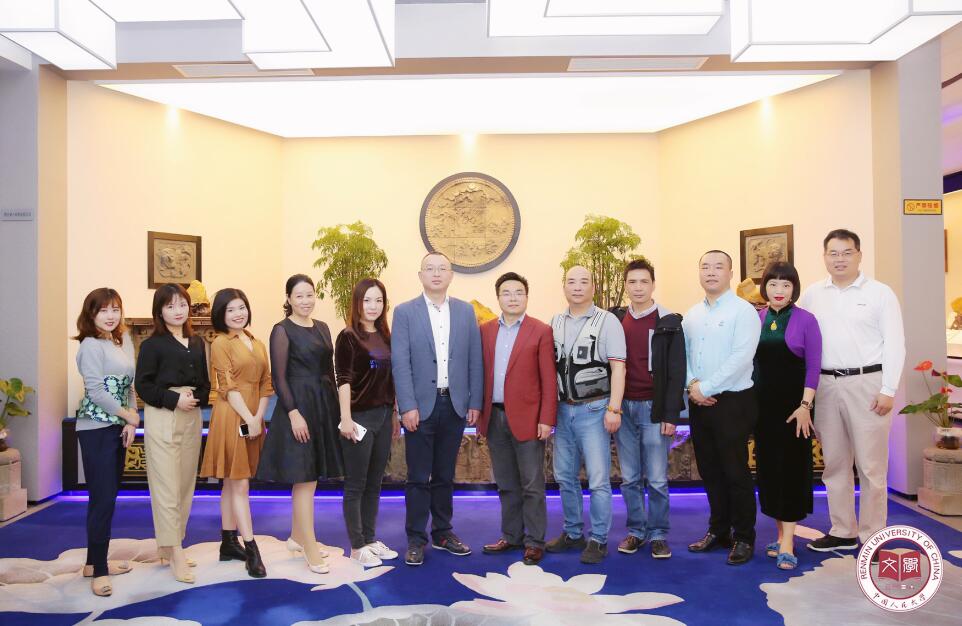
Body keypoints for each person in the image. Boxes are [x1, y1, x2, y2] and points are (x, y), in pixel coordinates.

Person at [799, 229, 905, 552]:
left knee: (871, 467)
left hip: (868, 385)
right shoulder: (813, 294)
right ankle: (843, 530)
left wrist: (888, 389)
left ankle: (874, 537)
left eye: (847, 253)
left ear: (859, 255)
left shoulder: (880, 293)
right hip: (826, 386)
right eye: (833, 253)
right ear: (824, 257)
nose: (840, 259)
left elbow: (895, 343)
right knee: (834, 463)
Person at [392, 251, 483, 566]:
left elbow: (475, 359)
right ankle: (416, 538)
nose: (436, 273)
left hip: (454, 405)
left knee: (445, 474)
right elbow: (400, 363)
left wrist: (474, 401)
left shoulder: (466, 312)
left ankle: (443, 533)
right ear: (420, 275)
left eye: (442, 268)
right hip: (419, 407)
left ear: (450, 275)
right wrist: (407, 406)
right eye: (429, 268)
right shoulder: (405, 312)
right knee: (418, 476)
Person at [257, 274, 343, 574]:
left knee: (311, 476)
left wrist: (337, 411)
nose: (306, 301)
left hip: (323, 406)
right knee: (304, 478)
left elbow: (330, 371)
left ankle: (296, 537)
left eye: (310, 295)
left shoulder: (323, 327)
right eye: (299, 296)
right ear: (289, 299)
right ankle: (309, 545)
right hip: (298, 408)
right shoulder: (282, 330)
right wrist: (293, 413)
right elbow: (279, 378)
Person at [684, 250, 761, 566]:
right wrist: (692, 385)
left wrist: (705, 388)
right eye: (705, 267)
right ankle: (718, 530)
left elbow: (741, 358)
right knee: (710, 470)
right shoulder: (691, 314)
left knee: (735, 471)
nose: (711, 272)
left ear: (730, 273)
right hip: (698, 401)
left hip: (732, 401)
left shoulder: (744, 311)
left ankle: (744, 536)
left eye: (718, 267)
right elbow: (684, 356)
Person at [545, 265, 627, 565]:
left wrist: (614, 408)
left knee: (598, 479)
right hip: (562, 410)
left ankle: (599, 538)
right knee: (564, 476)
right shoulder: (554, 322)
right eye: (571, 282)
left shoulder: (607, 321)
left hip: (595, 409)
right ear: (564, 287)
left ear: (593, 287)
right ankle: (573, 532)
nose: (577, 287)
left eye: (583, 282)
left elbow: (618, 367)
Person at [477, 272, 557, 566]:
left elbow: (549, 379)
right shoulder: (485, 331)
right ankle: (511, 536)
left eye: (518, 292)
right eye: (506, 293)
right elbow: (479, 373)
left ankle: (534, 541)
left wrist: (546, 418)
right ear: (498, 297)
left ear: (526, 297)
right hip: (494, 416)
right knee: (506, 482)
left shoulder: (541, 331)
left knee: (532, 484)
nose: (512, 298)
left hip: (529, 419)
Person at [610, 259, 686, 560]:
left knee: (656, 479)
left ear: (653, 284)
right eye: (632, 282)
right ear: (625, 286)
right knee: (629, 478)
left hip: (655, 409)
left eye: (644, 282)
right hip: (623, 408)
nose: (638, 287)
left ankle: (658, 534)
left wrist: (671, 414)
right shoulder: (615, 320)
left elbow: (677, 371)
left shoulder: (669, 322)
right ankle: (636, 531)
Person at [135, 283, 210, 584]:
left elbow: (205, 384)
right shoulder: (152, 345)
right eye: (170, 306)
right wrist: (173, 399)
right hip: (163, 414)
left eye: (182, 304)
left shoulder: (197, 342)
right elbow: (143, 386)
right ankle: (175, 552)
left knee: (184, 485)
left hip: (191, 415)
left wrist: (195, 398)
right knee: (166, 486)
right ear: (160, 311)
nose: (178, 311)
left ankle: (171, 544)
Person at [199, 288, 273, 578]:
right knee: (239, 484)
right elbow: (226, 387)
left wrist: (258, 417)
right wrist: (249, 418)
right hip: (232, 416)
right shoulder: (220, 343)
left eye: (241, 307)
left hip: (254, 416)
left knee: (232, 484)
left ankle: (228, 543)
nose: (238, 314)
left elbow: (266, 384)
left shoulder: (258, 343)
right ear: (221, 315)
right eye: (230, 310)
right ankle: (251, 549)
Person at [753, 262, 822, 571]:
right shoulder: (757, 318)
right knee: (770, 472)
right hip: (764, 409)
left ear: (794, 288)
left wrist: (805, 406)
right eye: (773, 284)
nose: (779, 290)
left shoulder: (806, 320)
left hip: (795, 410)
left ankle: (787, 543)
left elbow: (813, 367)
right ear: (764, 287)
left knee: (792, 471)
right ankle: (781, 535)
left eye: (786, 285)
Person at [73, 288, 139, 596]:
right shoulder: (89, 345)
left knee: (107, 497)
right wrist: (129, 416)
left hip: (117, 426)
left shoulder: (122, 340)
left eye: (115, 309)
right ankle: (99, 570)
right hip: (95, 428)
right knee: (102, 499)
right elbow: (96, 391)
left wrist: (130, 420)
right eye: (103, 310)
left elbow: (130, 386)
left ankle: (93, 562)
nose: (111, 316)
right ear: (91, 314)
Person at [335, 278, 401, 567]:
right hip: (358, 419)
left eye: (378, 300)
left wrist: (394, 414)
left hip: (384, 417)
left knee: (375, 483)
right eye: (367, 300)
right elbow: (343, 380)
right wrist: (346, 418)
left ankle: (371, 539)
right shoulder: (348, 337)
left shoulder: (386, 336)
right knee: (356, 484)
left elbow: (391, 380)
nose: (373, 306)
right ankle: (357, 545)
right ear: (357, 303)